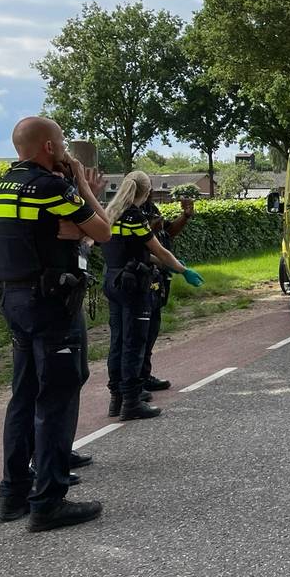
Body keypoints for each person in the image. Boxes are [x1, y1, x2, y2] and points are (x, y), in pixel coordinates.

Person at [0, 116, 111, 532]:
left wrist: (75, 232)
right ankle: (49, 501)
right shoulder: (51, 188)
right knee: (56, 398)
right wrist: (86, 190)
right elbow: (104, 231)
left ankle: (13, 494)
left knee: (23, 395)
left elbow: (45, 233)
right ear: (49, 148)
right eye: (61, 143)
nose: (67, 151)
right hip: (52, 303)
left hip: (15, 300)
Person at [103, 172, 203, 421]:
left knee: (117, 340)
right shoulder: (135, 216)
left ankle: (116, 399)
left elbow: (134, 252)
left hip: (113, 279)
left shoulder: (110, 214)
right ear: (146, 192)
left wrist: (173, 266)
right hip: (134, 284)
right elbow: (156, 250)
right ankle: (132, 401)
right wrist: (182, 269)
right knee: (135, 342)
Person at [140, 196, 194, 390]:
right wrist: (175, 266)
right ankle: (133, 384)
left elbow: (168, 232)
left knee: (152, 328)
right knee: (139, 333)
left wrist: (185, 216)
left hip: (158, 278)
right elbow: (143, 247)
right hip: (142, 279)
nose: (150, 192)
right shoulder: (130, 213)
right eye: (147, 188)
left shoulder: (151, 208)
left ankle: (143, 376)